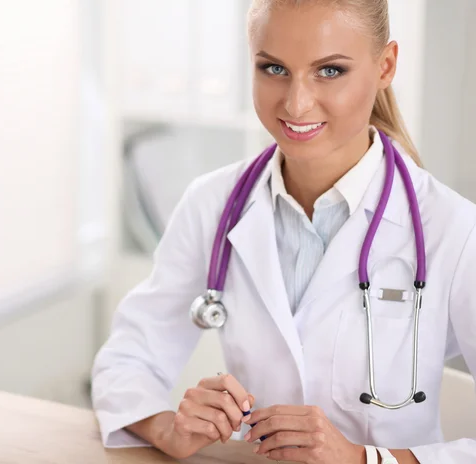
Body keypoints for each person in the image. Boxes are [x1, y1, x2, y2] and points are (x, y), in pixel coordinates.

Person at [91, 0, 476, 462]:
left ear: (385, 66)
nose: (295, 103)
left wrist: (364, 458)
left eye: (329, 71)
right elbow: (127, 359)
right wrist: (165, 427)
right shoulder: (212, 204)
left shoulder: (452, 229)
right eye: (273, 68)